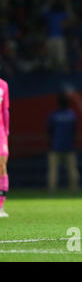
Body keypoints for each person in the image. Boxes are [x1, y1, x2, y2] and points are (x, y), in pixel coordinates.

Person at [47, 93, 80, 193]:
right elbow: (75, 131)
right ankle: (74, 190)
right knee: (73, 171)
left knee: (53, 172)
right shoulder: (72, 115)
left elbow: (49, 131)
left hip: (55, 147)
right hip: (69, 147)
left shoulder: (53, 115)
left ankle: (51, 191)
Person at [0, 78, 10, 218]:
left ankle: (0, 206)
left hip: (0, 131)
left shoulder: (3, 85)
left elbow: (5, 111)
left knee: (2, 165)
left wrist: (6, 133)